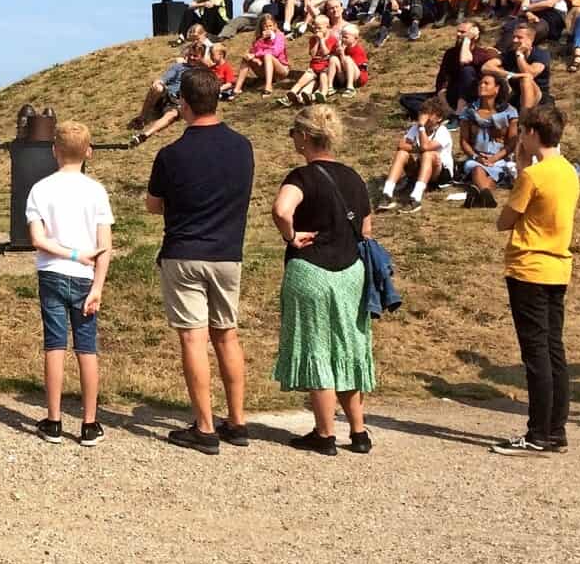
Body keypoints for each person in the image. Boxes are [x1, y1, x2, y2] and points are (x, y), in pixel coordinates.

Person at [145, 69, 255, 454]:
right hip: (227, 252)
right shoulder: (243, 147)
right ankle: (237, 421)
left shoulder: (170, 154)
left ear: (183, 105)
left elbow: (153, 205)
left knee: (193, 337)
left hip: (185, 251)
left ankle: (205, 426)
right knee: (227, 334)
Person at [272, 103, 375, 455]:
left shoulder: (301, 177)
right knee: (347, 347)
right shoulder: (354, 177)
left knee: (317, 348)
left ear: (304, 137)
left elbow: (281, 210)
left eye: (293, 134)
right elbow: (366, 228)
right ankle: (359, 431)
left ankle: (325, 433)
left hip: (312, 269)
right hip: (351, 272)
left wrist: (291, 236)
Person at [491, 103, 580, 454]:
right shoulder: (568, 171)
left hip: (529, 265)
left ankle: (537, 432)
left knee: (536, 353)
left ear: (531, 133)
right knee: (554, 349)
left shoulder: (533, 176)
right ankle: (556, 428)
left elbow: (505, 219)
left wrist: (522, 168)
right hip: (558, 266)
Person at [23, 120, 114, 446]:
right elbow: (105, 245)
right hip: (86, 279)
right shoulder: (96, 191)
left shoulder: (40, 189)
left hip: (52, 273)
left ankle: (54, 420)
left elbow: (37, 239)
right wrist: (98, 286)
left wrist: (73, 254)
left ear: (54, 152)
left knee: (55, 346)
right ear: (88, 152)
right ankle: (90, 423)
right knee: (87, 349)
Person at [129, 38, 210, 144]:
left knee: (171, 115)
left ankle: (144, 135)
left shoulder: (201, 73)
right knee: (158, 87)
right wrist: (159, 81)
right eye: (190, 54)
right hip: (166, 95)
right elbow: (165, 78)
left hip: (177, 102)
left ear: (201, 57)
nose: (191, 57)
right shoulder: (178, 66)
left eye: (195, 56)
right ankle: (142, 118)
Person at [380, 95, 455, 210]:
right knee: (402, 153)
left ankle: (416, 197)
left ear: (438, 118)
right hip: (422, 166)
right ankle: (387, 193)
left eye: (428, 114)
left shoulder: (443, 132)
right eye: (423, 113)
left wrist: (421, 128)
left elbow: (426, 147)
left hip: (440, 173)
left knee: (428, 154)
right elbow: (401, 145)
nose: (424, 117)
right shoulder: (415, 128)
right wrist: (417, 147)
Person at [460, 70, 519, 208]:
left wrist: (495, 158)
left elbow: (512, 142)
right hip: (477, 157)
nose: (482, 86)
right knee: (477, 169)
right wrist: (476, 157)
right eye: (480, 83)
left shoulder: (509, 112)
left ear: (497, 88)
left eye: (486, 83)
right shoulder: (469, 111)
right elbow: (464, 141)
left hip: (499, 158)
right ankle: (486, 195)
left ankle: (482, 196)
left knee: (493, 176)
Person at [283, 15, 338, 105]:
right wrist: (316, 41)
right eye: (315, 28)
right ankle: (291, 94)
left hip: (325, 68)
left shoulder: (332, 39)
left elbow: (325, 52)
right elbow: (312, 54)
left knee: (323, 81)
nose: (316, 30)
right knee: (302, 80)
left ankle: (321, 94)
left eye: (319, 28)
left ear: (327, 27)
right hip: (314, 67)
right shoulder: (313, 39)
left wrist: (322, 40)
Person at [232, 13, 290, 97]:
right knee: (246, 58)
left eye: (270, 26)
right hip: (264, 69)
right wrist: (254, 57)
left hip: (281, 70)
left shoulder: (279, 36)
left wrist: (256, 55)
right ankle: (237, 89)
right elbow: (254, 51)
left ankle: (268, 87)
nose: (268, 28)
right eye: (266, 26)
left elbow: (276, 51)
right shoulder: (259, 39)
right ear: (262, 27)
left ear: (275, 26)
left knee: (268, 55)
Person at [500, 20, 552, 111]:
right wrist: (511, 75)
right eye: (514, 37)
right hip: (517, 95)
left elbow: (529, 74)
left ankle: (525, 118)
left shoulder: (541, 54)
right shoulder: (509, 54)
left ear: (530, 39)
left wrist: (520, 54)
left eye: (519, 37)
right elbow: (487, 67)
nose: (514, 40)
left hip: (538, 96)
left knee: (526, 79)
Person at [333, 23, 369, 95]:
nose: (343, 39)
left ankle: (350, 87)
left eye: (346, 37)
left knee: (347, 59)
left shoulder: (358, 50)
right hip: (345, 76)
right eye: (342, 37)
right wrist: (337, 54)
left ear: (355, 38)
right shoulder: (344, 47)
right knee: (333, 58)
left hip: (358, 77)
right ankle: (331, 86)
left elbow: (349, 66)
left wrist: (342, 54)